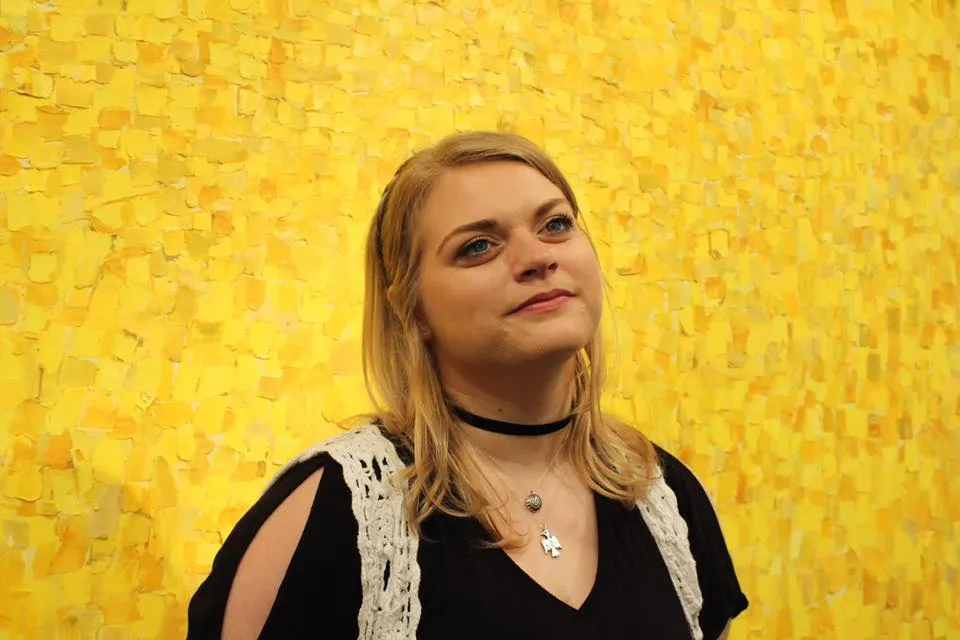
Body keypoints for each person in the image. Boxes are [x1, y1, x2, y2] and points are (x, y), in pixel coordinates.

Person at [186, 131, 749, 639]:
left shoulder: (665, 494)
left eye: (555, 224)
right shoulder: (335, 511)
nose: (536, 258)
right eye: (478, 246)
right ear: (413, 311)